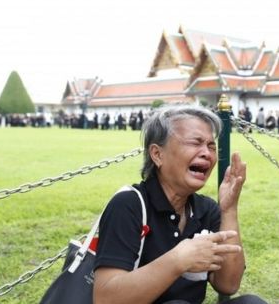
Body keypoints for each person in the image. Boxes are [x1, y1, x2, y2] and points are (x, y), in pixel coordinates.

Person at [93, 105, 266, 304]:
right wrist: (179, 259)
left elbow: (228, 284)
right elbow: (105, 299)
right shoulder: (129, 205)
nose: (207, 154)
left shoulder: (206, 210)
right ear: (157, 154)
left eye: (211, 146)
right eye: (195, 143)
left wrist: (229, 210)